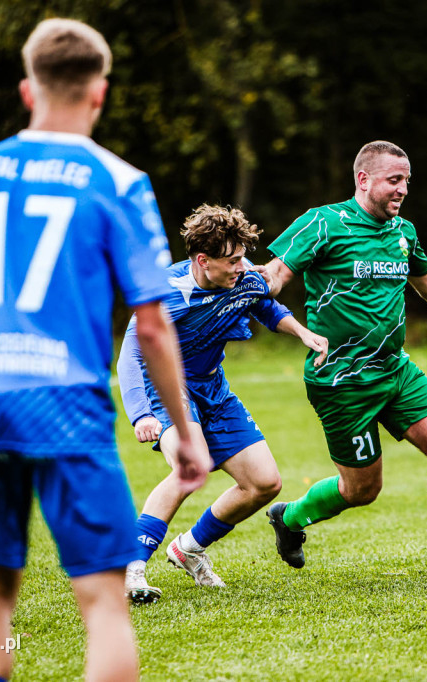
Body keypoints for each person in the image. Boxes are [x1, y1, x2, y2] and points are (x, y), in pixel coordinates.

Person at [0, 18, 210, 682]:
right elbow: (152, 325)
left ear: (25, 89)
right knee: (101, 603)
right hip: (65, 404)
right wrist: (185, 433)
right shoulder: (118, 181)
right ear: (99, 93)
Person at [256, 140, 427, 577]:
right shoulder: (322, 223)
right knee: (362, 490)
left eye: (406, 182)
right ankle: (290, 517)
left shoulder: (403, 233)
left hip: (395, 369)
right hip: (340, 380)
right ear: (364, 179)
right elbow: (276, 275)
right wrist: (243, 285)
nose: (403, 190)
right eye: (394, 180)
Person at [118, 204, 329, 602]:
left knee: (264, 483)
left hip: (213, 386)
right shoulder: (167, 293)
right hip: (168, 385)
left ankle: (189, 549)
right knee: (190, 466)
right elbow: (131, 354)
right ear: (202, 260)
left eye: (242, 258)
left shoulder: (241, 275)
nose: (242, 266)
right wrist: (141, 414)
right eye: (232, 260)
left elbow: (264, 304)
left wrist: (302, 332)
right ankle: (132, 568)